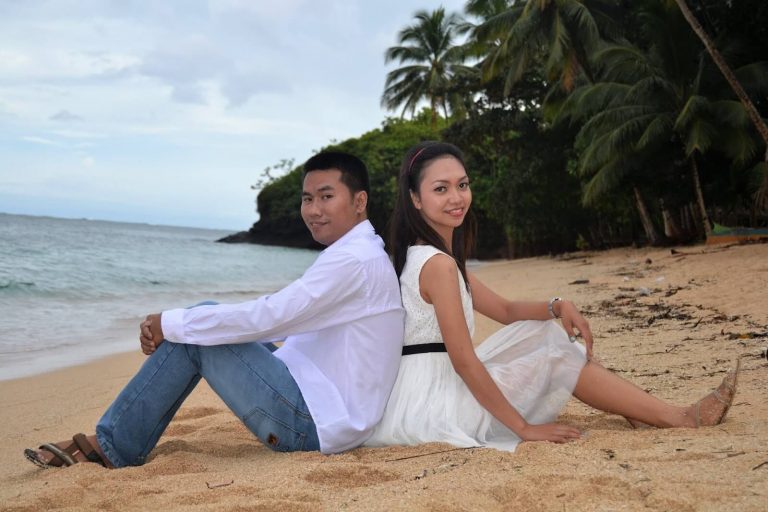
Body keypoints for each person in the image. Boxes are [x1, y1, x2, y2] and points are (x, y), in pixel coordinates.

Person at [25, 151, 405, 468]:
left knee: (193, 332)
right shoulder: (358, 253)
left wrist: (169, 324)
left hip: (312, 424)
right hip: (317, 403)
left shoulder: (354, 261)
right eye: (307, 199)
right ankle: (116, 440)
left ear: (359, 202)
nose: (314, 210)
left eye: (326, 197)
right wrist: (178, 324)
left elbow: (273, 317)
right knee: (199, 322)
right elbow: (283, 318)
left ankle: (111, 446)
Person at [365, 141, 740, 450]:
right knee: (554, 351)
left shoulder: (436, 259)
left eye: (462, 185)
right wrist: (523, 428)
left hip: (427, 391)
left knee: (544, 333)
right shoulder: (438, 265)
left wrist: (558, 305)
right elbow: (463, 360)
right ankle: (676, 417)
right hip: (437, 405)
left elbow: (506, 309)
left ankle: (642, 411)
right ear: (415, 199)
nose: (456, 197)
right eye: (440, 189)